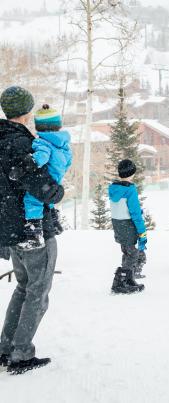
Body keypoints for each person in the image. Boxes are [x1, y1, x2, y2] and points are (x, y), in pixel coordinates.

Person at [0, 86, 65, 375]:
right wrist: (57, 191)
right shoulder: (20, 143)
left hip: (10, 229)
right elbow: (37, 183)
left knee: (24, 287)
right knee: (37, 291)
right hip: (32, 229)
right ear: (26, 111)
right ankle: (21, 354)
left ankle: (5, 347)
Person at [19, 104, 72, 250]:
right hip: (57, 176)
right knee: (48, 199)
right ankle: (55, 222)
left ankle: (34, 233)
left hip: (47, 175)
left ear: (39, 127)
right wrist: (58, 172)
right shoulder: (63, 142)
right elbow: (68, 161)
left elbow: (42, 156)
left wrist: (30, 163)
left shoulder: (42, 141)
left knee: (32, 200)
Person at [108, 159, 147, 294]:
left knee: (127, 251)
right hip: (128, 225)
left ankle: (128, 279)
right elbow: (135, 213)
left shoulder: (114, 188)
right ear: (132, 173)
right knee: (133, 254)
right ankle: (120, 282)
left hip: (118, 224)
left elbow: (121, 207)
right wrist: (142, 233)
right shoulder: (130, 189)